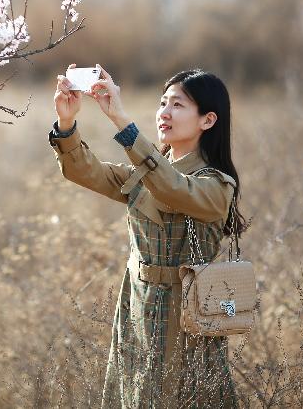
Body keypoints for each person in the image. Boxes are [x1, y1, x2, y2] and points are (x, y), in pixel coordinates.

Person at [50, 64, 245, 408]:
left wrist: (122, 122)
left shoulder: (216, 184)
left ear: (208, 120)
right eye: (163, 103)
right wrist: (67, 123)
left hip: (185, 313)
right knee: (135, 393)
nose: (164, 113)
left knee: (183, 395)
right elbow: (83, 170)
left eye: (178, 105)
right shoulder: (145, 173)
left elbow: (172, 188)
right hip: (137, 304)